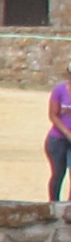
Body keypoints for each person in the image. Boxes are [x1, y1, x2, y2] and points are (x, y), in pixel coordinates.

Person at [46, 63, 70, 202]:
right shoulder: (59, 90)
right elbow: (53, 115)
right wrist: (67, 133)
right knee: (58, 173)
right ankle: (54, 204)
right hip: (58, 139)